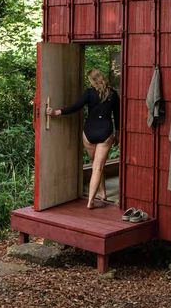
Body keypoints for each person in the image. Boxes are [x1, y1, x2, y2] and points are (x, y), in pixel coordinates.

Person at [47, 68, 120, 209]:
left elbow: (76, 106)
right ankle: (92, 200)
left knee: (96, 165)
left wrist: (56, 112)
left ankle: (101, 194)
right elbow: (118, 116)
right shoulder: (113, 94)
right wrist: (118, 134)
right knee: (98, 167)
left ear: (92, 80)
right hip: (105, 132)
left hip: (89, 132)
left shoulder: (89, 93)